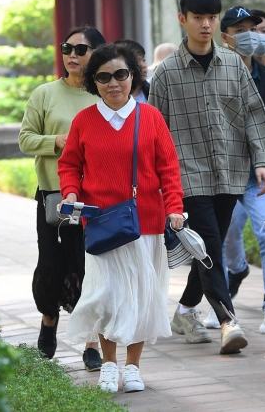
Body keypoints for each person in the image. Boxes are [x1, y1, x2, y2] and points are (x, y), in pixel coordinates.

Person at [148, 0, 265, 355]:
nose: (205, 24)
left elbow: (253, 113)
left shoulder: (234, 63)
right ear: (182, 19)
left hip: (231, 170)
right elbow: (155, 130)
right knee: (210, 244)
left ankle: (185, 310)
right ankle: (227, 321)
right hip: (187, 174)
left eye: (211, 17)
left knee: (206, 247)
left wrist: (262, 160)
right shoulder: (166, 74)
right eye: (198, 17)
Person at [58, 43, 185, 394]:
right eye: (103, 77)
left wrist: (174, 207)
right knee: (107, 296)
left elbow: (169, 169)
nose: (113, 83)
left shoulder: (151, 118)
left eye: (120, 74)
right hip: (101, 223)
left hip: (145, 222)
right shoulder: (84, 121)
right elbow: (69, 164)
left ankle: (133, 367)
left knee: (143, 296)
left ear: (133, 76)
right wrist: (71, 193)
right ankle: (109, 365)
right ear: (93, 82)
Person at [19, 25, 106, 370]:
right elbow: (25, 139)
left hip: (95, 199)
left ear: (96, 54)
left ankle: (91, 341)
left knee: (90, 268)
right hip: (54, 197)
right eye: (66, 48)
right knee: (52, 265)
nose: (72, 55)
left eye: (80, 50)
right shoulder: (44, 94)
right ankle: (50, 319)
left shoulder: (103, 93)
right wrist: (56, 142)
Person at [215, 6, 265, 336]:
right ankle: (222, 309)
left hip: (260, 177)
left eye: (253, 28)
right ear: (225, 38)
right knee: (221, 239)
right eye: (240, 30)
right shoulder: (212, 78)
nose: (248, 36)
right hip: (220, 177)